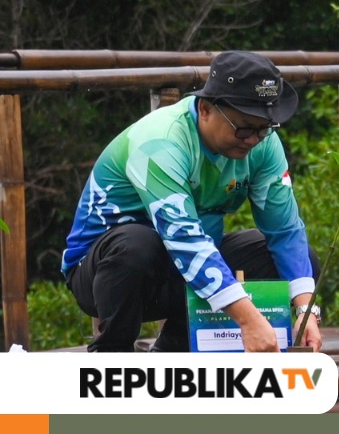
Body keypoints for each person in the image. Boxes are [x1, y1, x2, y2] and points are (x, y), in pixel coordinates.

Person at [62, 51, 322, 352]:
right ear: (206, 109)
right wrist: (249, 320)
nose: (253, 140)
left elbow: (285, 230)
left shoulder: (262, 144)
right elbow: (183, 238)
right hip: (108, 274)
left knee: (293, 260)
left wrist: (306, 311)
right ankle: (113, 355)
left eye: (264, 128)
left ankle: (174, 350)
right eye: (244, 127)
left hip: (182, 270)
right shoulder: (160, 142)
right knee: (138, 243)